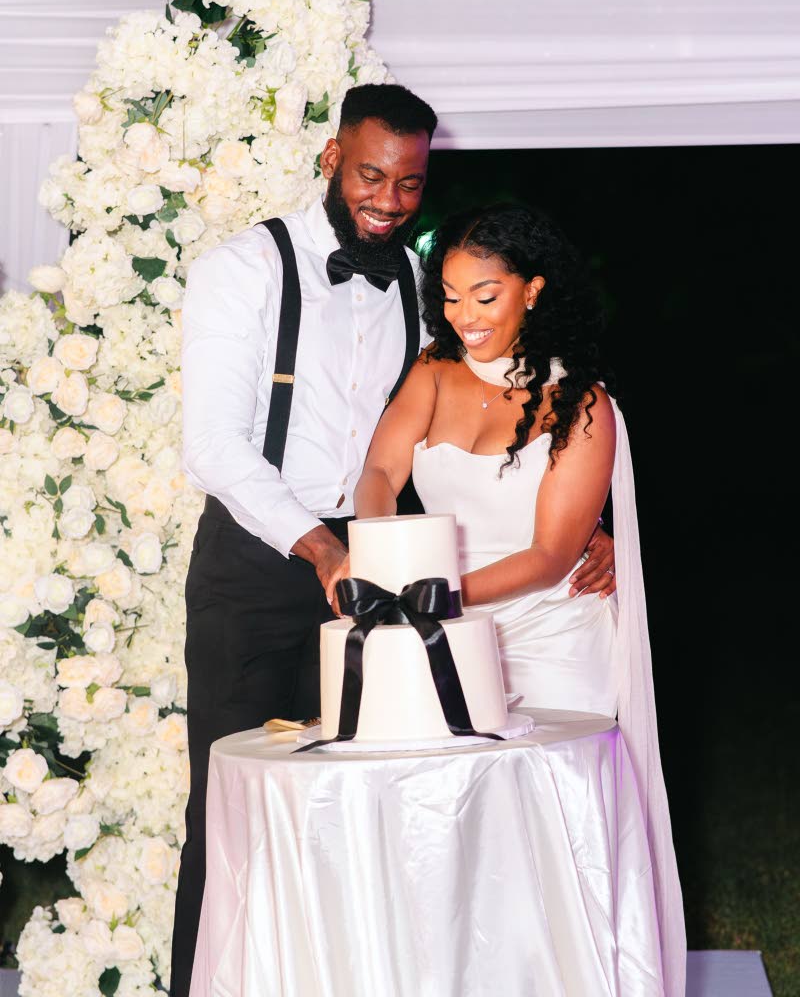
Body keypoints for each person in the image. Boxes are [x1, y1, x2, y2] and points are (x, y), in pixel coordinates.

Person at [171, 87, 615, 996]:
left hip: (388, 570)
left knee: (360, 811)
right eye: (371, 175)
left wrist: (583, 524)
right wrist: (322, 548)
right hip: (262, 562)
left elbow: (490, 414)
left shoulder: (423, 281)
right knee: (237, 812)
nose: (388, 199)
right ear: (332, 158)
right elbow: (211, 444)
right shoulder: (243, 268)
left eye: (410, 183)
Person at [349, 203, 686, 997]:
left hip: (552, 636)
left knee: (548, 826)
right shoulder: (432, 372)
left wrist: (434, 591)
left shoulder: (583, 405)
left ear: (531, 290)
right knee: (454, 826)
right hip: (440, 631)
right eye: (450, 295)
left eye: (485, 295)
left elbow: (550, 555)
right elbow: (380, 472)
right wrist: (384, 552)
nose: (464, 315)